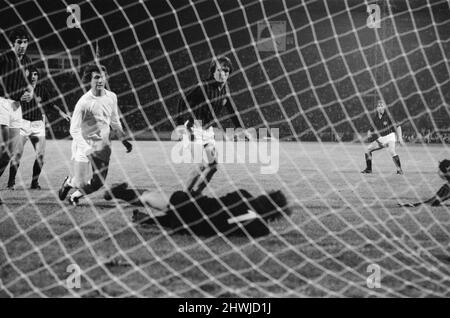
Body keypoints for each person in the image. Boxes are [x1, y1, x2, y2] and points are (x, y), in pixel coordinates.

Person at [175, 56, 252, 196]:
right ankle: (183, 198)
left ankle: (196, 194)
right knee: (200, 165)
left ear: (229, 72)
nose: (222, 73)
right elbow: (182, 100)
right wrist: (180, 126)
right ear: (212, 71)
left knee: (213, 166)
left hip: (208, 131)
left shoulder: (224, 89)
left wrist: (241, 129)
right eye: (219, 70)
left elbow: (232, 111)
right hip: (193, 129)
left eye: (226, 70)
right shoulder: (203, 86)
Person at [58, 64, 132, 206]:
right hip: (83, 144)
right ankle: (69, 183)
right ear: (89, 80)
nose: (100, 80)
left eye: (102, 77)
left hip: (102, 145)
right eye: (96, 77)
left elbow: (115, 121)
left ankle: (74, 197)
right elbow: (74, 130)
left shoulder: (112, 97)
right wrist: (86, 149)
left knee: (98, 183)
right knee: (79, 182)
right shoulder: (84, 102)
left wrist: (124, 139)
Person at [104, 182, 291, 237]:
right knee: (181, 221)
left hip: (191, 205)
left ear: (265, 197)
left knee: (148, 197)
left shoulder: (243, 194)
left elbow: (221, 202)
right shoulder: (262, 230)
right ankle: (145, 219)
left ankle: (120, 193)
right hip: (193, 228)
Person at [7, 66, 71, 190]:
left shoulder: (42, 89)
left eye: (36, 74)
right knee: (17, 154)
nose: (33, 76)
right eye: (31, 74)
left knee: (41, 155)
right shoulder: (20, 89)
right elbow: (11, 104)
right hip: (23, 124)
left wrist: (62, 113)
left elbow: (50, 104)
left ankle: (34, 183)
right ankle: (11, 183)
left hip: (38, 125)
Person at [0, 27, 33, 203]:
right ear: (12, 44)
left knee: (9, 153)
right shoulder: (4, 58)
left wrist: (30, 93)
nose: (22, 45)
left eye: (25, 41)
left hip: (16, 107)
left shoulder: (27, 60)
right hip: (2, 103)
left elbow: (30, 82)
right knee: (4, 149)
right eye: (19, 42)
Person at [361, 100, 405, 175]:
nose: (380, 107)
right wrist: (369, 133)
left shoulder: (388, 116)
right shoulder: (375, 118)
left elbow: (398, 126)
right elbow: (370, 129)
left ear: (384, 107)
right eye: (379, 106)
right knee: (367, 150)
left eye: (382, 106)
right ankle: (368, 169)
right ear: (376, 108)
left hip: (390, 137)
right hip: (381, 139)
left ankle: (399, 170)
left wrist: (400, 138)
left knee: (391, 151)